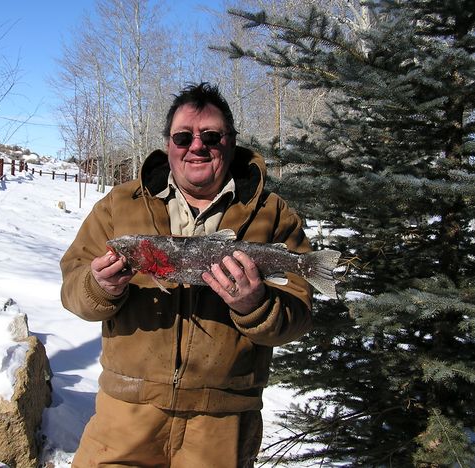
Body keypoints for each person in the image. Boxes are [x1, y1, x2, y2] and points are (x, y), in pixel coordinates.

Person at [60, 82, 313, 467]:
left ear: (230, 142)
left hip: (222, 426)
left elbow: (299, 316)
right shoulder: (118, 205)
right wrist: (100, 287)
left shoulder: (273, 213)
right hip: (124, 415)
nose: (197, 146)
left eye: (211, 136)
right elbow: (73, 291)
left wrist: (255, 305)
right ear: (168, 144)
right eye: (183, 136)